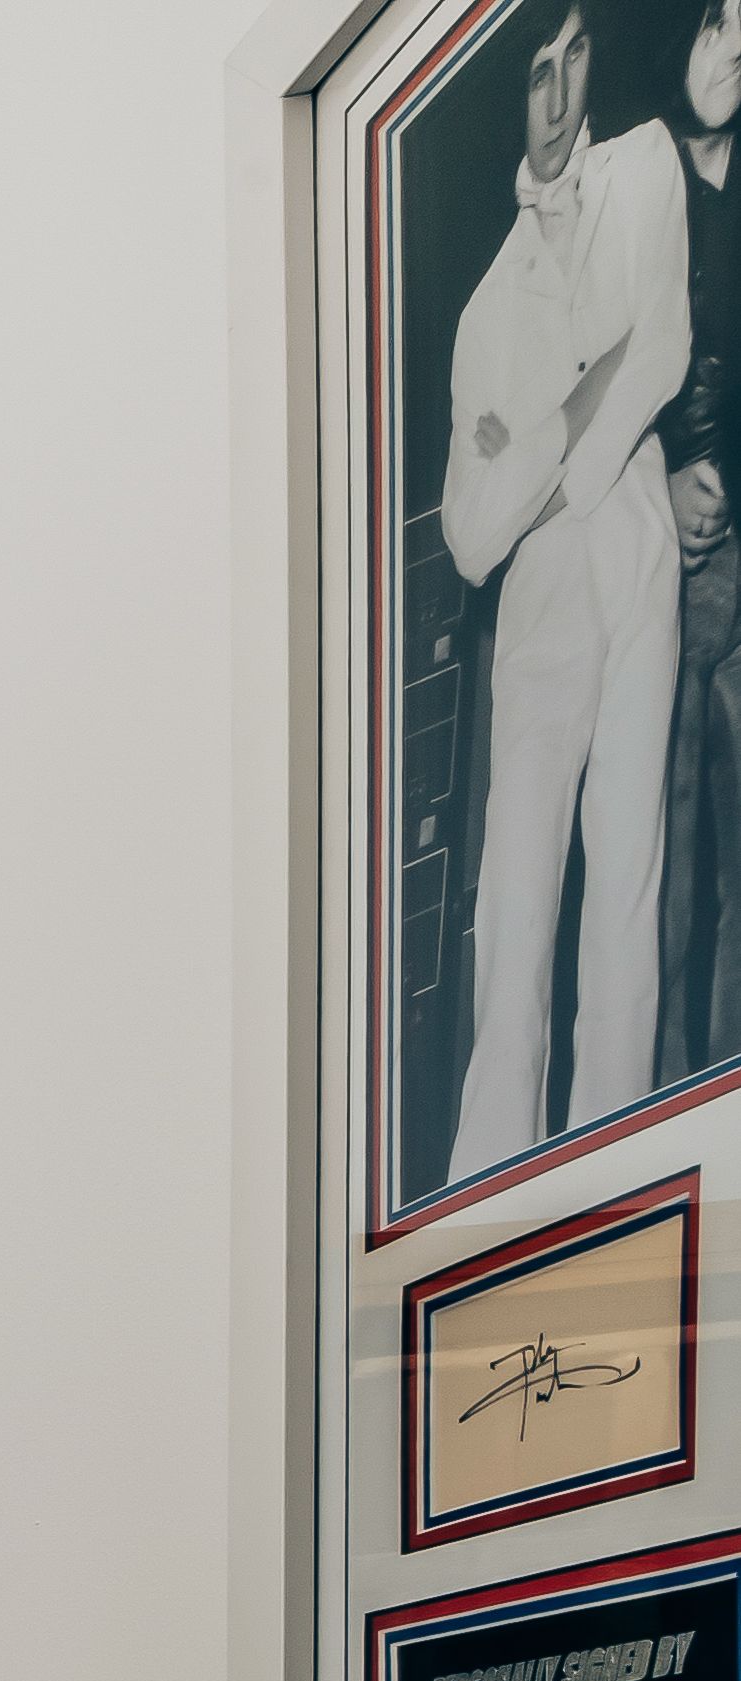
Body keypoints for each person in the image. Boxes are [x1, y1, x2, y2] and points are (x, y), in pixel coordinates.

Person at [445, 0, 696, 1179]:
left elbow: (661, 351)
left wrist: (535, 449)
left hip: (636, 549)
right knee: (515, 903)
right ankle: (493, 1183)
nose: (553, 91)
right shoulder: (483, 310)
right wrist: (574, 403)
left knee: (625, 881)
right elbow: (466, 533)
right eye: (534, 68)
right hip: (541, 601)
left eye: (574, 54)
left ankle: (616, 1171)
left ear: (597, 67)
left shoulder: (646, 171)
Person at [655, 0, 741, 1075]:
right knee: (656, 868)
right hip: (663, 566)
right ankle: (654, 1116)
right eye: (718, 25)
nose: (734, 54)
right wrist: (661, 481)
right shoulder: (630, 180)